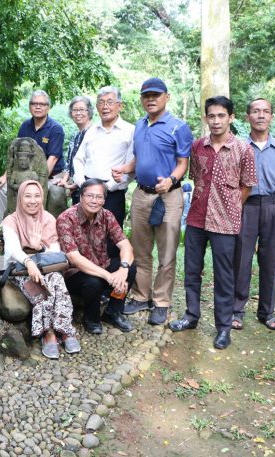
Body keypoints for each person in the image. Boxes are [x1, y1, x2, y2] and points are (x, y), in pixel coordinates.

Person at [169, 96, 257, 350]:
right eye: (211, 116)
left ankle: (223, 328)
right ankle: (191, 316)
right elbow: (196, 177)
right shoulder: (198, 146)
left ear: (231, 117)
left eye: (221, 116)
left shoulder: (243, 149)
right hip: (196, 217)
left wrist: (228, 206)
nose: (216, 121)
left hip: (225, 222)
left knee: (224, 276)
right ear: (206, 118)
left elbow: (247, 186)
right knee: (192, 271)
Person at [112, 78, 193, 326]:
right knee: (140, 250)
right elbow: (139, 158)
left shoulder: (178, 127)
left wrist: (170, 180)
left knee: (166, 253)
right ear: (141, 99)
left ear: (166, 97)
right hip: (141, 194)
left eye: (156, 95)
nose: (151, 99)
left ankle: (161, 302)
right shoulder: (140, 125)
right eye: (146, 95)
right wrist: (125, 169)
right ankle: (140, 295)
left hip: (168, 196)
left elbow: (183, 164)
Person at [233, 98, 275, 331]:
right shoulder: (239, 147)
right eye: (255, 111)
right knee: (241, 260)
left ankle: (266, 312)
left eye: (266, 111)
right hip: (246, 207)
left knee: (271, 262)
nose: (261, 115)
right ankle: (237, 311)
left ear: (272, 117)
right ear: (247, 116)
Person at [2, 180, 80, 359]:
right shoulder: (11, 221)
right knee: (39, 284)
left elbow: (55, 250)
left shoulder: (48, 219)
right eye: (27, 196)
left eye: (37, 196)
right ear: (20, 198)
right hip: (20, 270)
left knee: (57, 280)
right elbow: (12, 250)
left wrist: (40, 247)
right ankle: (49, 333)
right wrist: (29, 261)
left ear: (42, 197)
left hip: (46, 266)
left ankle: (65, 330)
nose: (32, 200)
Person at [57, 179, 136, 335]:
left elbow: (125, 245)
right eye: (90, 196)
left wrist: (123, 270)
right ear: (81, 196)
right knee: (94, 281)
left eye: (99, 197)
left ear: (104, 200)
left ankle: (112, 312)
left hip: (101, 265)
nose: (94, 201)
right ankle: (91, 318)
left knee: (130, 267)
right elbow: (74, 258)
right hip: (75, 273)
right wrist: (108, 276)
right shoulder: (66, 219)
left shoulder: (106, 215)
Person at [0, 90, 65, 220]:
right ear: (29, 106)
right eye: (34, 103)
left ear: (48, 107)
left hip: (51, 176)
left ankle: (44, 228)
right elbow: (15, 156)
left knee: (46, 193)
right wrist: (5, 176)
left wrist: (34, 182)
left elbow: (53, 159)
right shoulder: (25, 126)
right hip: (23, 173)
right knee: (2, 188)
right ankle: (6, 224)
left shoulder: (56, 129)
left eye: (42, 104)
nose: (38, 106)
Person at [73, 86, 134, 232]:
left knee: (110, 240)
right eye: (101, 102)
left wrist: (107, 187)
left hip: (112, 193)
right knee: (82, 236)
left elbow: (131, 166)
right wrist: (82, 183)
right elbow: (79, 159)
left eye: (109, 102)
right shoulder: (91, 130)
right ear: (96, 107)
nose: (105, 106)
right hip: (86, 190)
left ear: (119, 106)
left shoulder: (130, 131)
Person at [56, 96, 93, 204]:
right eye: (75, 110)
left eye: (82, 110)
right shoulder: (76, 135)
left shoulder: (93, 133)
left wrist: (76, 184)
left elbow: (90, 164)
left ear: (89, 111)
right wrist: (64, 180)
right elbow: (69, 162)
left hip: (87, 186)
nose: (78, 113)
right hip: (75, 187)